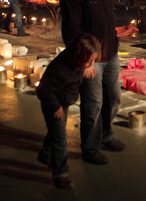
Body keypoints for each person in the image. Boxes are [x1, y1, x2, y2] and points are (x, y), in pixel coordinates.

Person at [60, 0, 124, 165]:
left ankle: (106, 136)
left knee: (113, 99)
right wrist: (85, 61)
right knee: (93, 104)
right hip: (92, 59)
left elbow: (105, 19)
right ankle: (90, 147)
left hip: (110, 53)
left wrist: (116, 35)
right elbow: (72, 30)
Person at [37, 33, 100, 189]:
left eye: (93, 60)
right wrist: (55, 107)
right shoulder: (61, 69)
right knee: (60, 139)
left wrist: (88, 66)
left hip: (62, 102)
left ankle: (45, 154)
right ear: (79, 56)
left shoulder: (76, 63)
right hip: (53, 104)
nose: (91, 64)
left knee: (55, 131)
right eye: (89, 61)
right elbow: (44, 89)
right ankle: (61, 174)